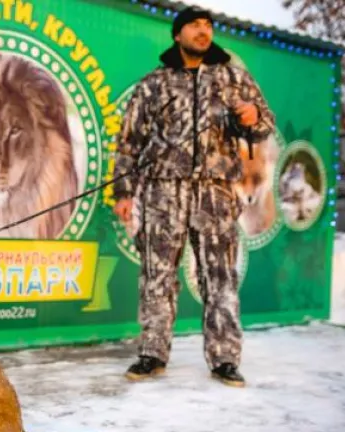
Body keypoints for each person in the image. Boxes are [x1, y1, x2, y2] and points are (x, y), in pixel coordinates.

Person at [112, 7, 275, 388]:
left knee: (219, 278)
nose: (204, 32)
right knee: (157, 275)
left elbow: (264, 122)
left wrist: (253, 117)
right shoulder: (153, 83)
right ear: (177, 35)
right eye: (194, 26)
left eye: (208, 26)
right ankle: (152, 353)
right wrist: (123, 191)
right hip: (161, 193)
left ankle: (225, 359)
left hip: (215, 193)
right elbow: (129, 142)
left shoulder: (233, 77)